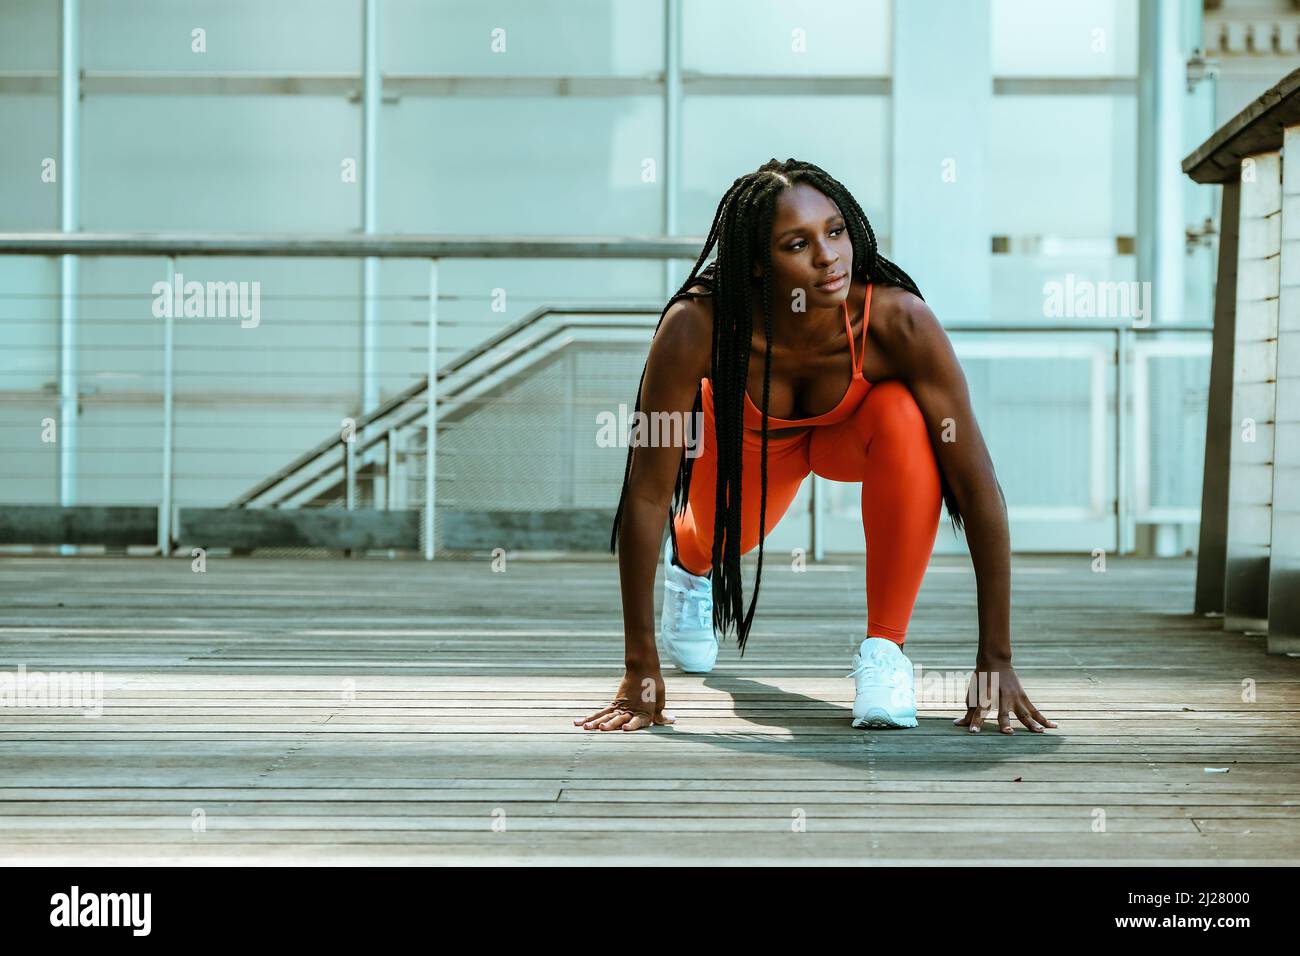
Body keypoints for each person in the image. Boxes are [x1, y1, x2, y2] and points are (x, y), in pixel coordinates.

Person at [577, 158, 1056, 736]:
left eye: (835, 230)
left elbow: (978, 489)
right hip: (751, 443)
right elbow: (648, 493)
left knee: (905, 413)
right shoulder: (697, 326)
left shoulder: (898, 321)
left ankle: (884, 652)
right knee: (715, 538)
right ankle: (692, 563)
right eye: (796, 243)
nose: (829, 255)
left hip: (850, 437)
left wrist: (997, 659)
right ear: (756, 262)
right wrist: (639, 669)